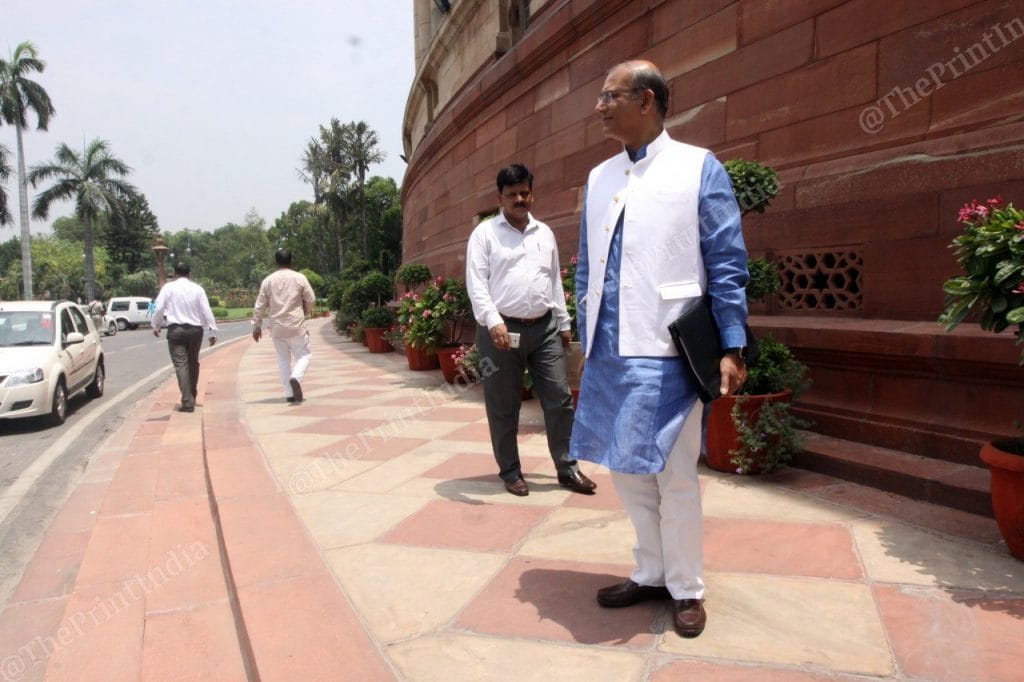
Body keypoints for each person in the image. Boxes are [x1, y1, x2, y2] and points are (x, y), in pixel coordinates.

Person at [570, 61, 750, 639]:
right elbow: (585, 265)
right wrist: (583, 325)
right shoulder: (598, 178)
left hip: (670, 350)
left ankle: (687, 588)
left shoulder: (699, 166)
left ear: (646, 100)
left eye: (610, 96)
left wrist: (733, 344)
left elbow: (726, 261)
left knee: (675, 475)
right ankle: (650, 572)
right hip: (610, 349)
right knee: (626, 470)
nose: (599, 106)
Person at [466, 163, 596, 497]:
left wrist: (564, 323)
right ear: (500, 197)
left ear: (532, 192)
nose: (520, 199)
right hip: (501, 332)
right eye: (512, 195)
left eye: (525, 192)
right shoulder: (485, 234)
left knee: (559, 399)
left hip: (544, 329)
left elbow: (553, 281)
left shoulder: (545, 234)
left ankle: (567, 468)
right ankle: (510, 471)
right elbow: (477, 284)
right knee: (503, 405)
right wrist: (493, 321)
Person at [151, 262, 218, 413]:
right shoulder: (197, 289)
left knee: (181, 364)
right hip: (195, 331)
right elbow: (206, 310)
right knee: (193, 362)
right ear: (189, 274)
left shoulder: (168, 288)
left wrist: (156, 325)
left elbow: (159, 307)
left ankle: (187, 401)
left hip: (176, 331)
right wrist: (212, 331)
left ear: (175, 274)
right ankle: (191, 394)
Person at [252, 249, 315, 403]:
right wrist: (306, 312)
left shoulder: (268, 280)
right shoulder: (299, 278)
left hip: (277, 327)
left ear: (276, 263)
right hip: (296, 324)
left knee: (282, 359)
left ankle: (289, 392)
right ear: (291, 261)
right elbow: (311, 298)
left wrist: (256, 326)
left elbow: (259, 305)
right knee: (304, 355)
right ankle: (296, 377)